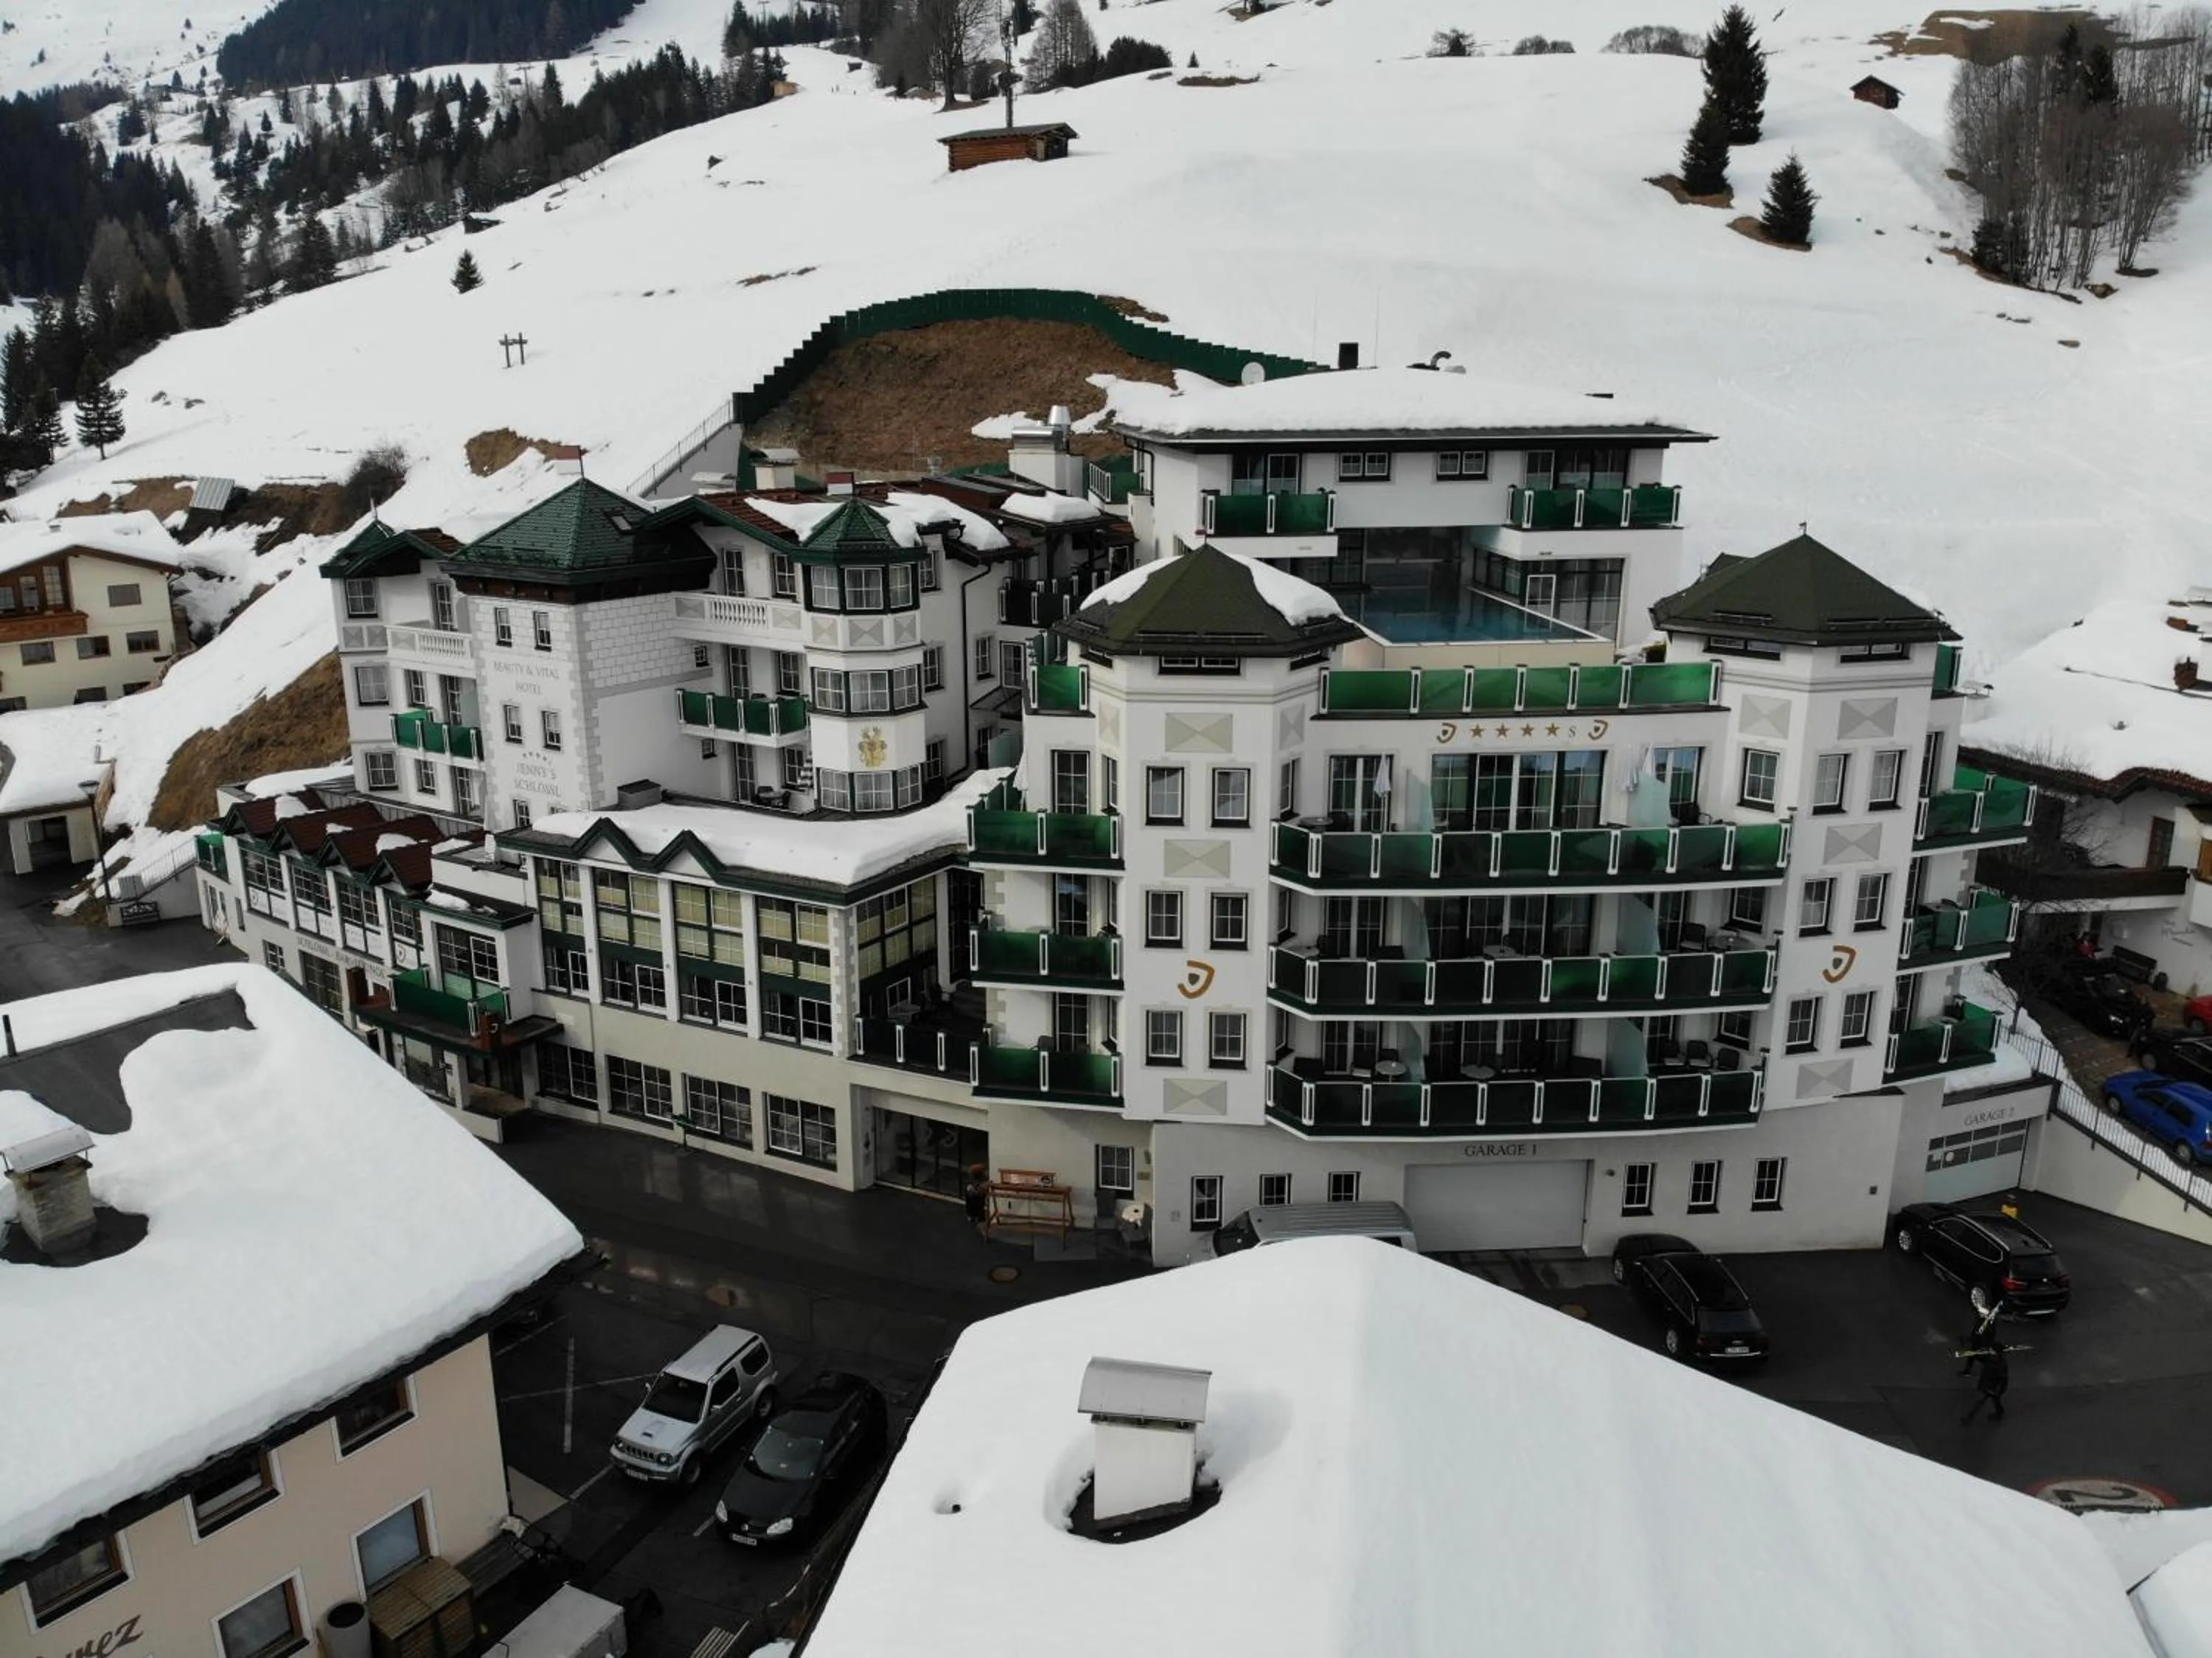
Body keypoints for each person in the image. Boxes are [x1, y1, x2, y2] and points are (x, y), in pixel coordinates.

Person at [1961, 1339, 2011, 1423]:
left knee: (1982, 1401)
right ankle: (1998, 1412)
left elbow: (2002, 1378)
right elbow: (1978, 1356)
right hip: (1988, 1385)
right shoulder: (1991, 1359)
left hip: (1992, 1387)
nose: (1990, 1352)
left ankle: (1969, 1418)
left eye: (1992, 1351)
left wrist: (1997, 1389)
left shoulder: (2001, 1364)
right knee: (1993, 1400)